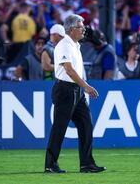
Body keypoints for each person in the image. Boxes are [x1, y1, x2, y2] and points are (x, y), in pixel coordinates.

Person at [44, 14, 106, 174]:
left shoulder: (74, 45)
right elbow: (69, 70)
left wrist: (81, 87)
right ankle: (50, 164)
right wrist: (85, 86)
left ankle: (87, 164)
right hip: (65, 89)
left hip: (75, 90)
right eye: (80, 26)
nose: (83, 29)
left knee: (86, 124)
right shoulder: (64, 45)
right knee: (60, 127)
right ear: (71, 29)